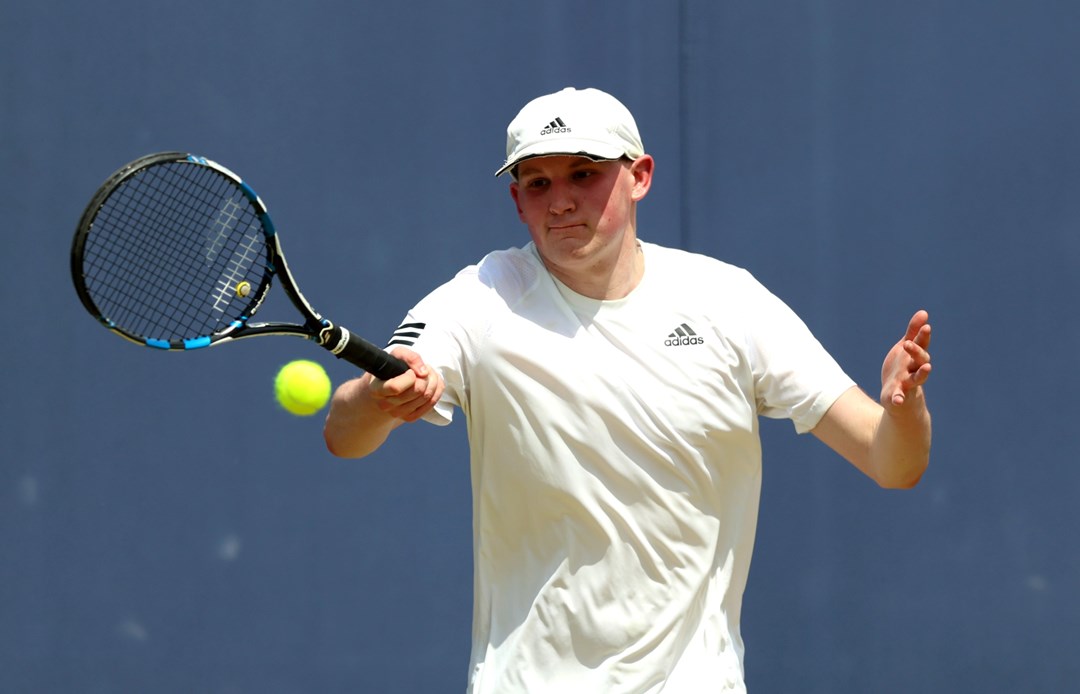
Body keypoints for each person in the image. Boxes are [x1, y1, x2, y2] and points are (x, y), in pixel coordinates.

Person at [323, 87, 933, 693]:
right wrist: (377, 401)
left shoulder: (728, 301)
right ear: (516, 200)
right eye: (536, 183)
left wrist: (901, 413)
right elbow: (345, 436)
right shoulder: (481, 297)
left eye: (582, 174)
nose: (559, 201)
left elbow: (889, 462)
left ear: (639, 176)